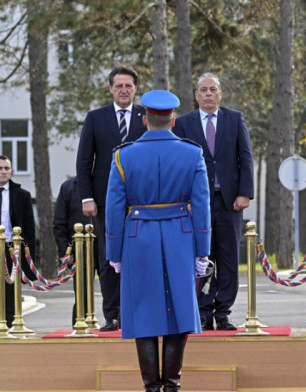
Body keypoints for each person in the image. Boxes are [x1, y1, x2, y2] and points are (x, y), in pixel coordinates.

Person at [105, 90, 211, 392]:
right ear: (173, 120)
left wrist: (114, 252)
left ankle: (151, 388)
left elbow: (114, 209)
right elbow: (202, 207)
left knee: (143, 313)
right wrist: (202, 250)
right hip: (180, 236)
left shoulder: (123, 155)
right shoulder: (192, 154)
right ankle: (172, 386)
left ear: (143, 120)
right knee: (180, 311)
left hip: (138, 238)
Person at [172, 72, 254, 331]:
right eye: (203, 90)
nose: (208, 94)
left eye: (213, 89)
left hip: (229, 202)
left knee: (229, 258)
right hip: (196, 204)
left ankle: (224, 312)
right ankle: (204, 311)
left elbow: (246, 158)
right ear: (196, 95)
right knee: (202, 258)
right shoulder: (184, 123)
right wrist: (182, 198)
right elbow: (179, 163)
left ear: (220, 94)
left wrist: (244, 193)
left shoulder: (235, 119)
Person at [76, 64, 148, 332]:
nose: (124, 89)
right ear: (110, 88)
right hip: (105, 202)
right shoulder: (96, 118)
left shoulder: (146, 116)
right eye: (119, 85)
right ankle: (112, 315)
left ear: (136, 88)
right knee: (109, 258)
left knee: (140, 257)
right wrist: (87, 198)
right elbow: (84, 161)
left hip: (142, 201)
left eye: (128, 85)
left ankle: (138, 312)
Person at [53, 176, 98, 327]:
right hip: (79, 251)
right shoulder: (68, 187)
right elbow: (59, 223)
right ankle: (79, 326)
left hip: (106, 248)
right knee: (82, 296)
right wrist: (65, 252)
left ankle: (116, 327)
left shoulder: (109, 183)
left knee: (114, 295)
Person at [0, 155, 37, 328]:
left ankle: (9, 324)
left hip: (11, 249)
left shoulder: (22, 195)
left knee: (10, 290)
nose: (3, 172)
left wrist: (30, 262)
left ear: (11, 170)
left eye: (6, 168)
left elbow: (29, 229)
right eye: (0, 168)